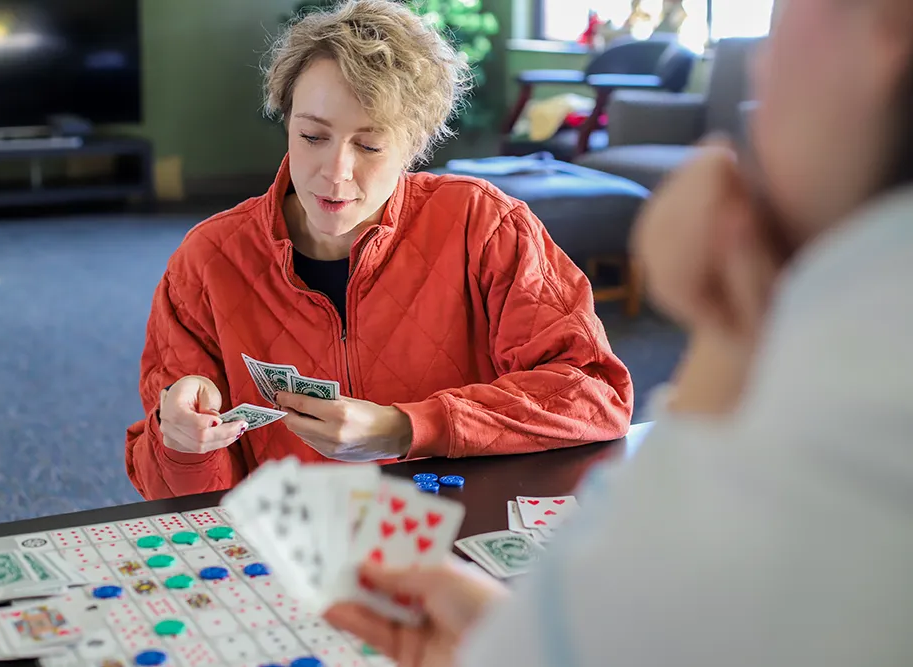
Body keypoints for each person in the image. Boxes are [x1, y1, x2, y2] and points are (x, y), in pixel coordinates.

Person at [325, 0, 913, 664]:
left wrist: (720, 338)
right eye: (313, 133)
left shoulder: (848, 423)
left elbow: (636, 592)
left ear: (890, 29)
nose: (762, 54)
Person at [125, 0, 634, 501]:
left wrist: (406, 428)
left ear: (414, 145)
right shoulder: (209, 260)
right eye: (311, 136)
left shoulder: (484, 226)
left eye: (368, 146)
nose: (335, 171)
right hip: (290, 555)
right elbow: (179, 502)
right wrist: (181, 443)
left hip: (454, 539)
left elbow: (595, 394)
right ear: (287, 122)